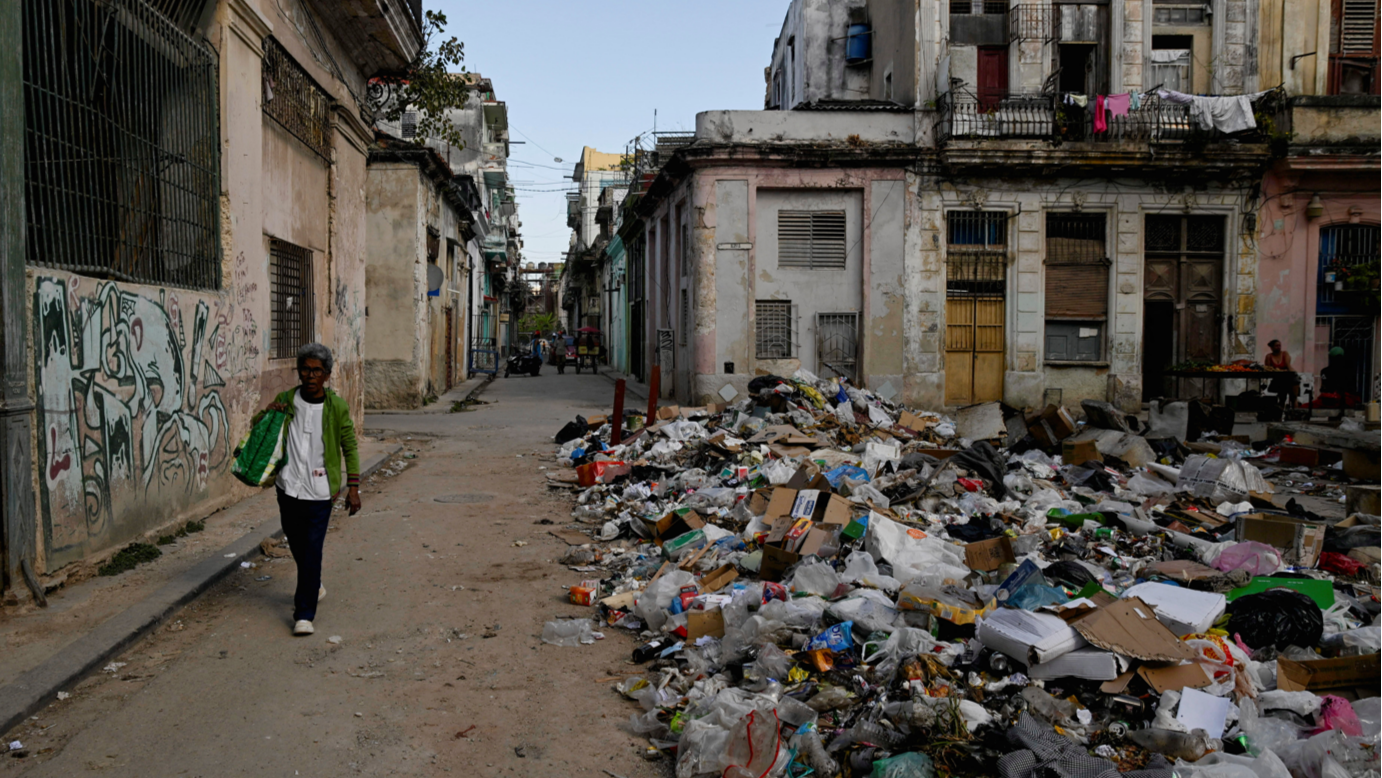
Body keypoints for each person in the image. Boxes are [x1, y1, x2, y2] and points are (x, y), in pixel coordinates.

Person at [258, 343, 361, 636]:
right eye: (305, 369)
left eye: (317, 370)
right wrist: (268, 414)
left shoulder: (337, 407)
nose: (310, 375)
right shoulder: (286, 400)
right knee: (297, 543)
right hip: (288, 486)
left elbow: (349, 446)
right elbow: (261, 431)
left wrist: (353, 486)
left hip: (320, 491)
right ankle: (314, 584)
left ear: (327, 375)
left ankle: (303, 613)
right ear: (299, 371)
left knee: (313, 548)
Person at [1263, 339, 1298, 409]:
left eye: (1279, 345)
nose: (1278, 347)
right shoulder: (1269, 356)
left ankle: (1295, 413)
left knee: (1293, 397)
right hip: (1278, 379)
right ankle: (1280, 413)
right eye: (1276, 346)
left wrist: (1291, 372)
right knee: (1282, 397)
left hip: (1289, 378)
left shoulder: (1285, 354)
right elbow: (1268, 369)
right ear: (1272, 347)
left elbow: (1288, 366)